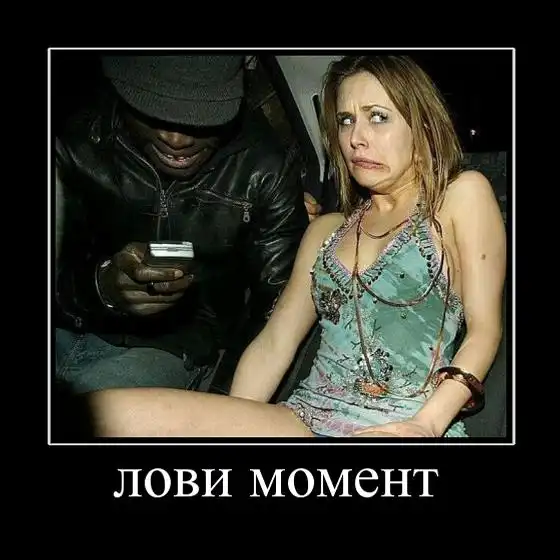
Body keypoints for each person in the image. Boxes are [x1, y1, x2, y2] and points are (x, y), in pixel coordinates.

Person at [84, 54, 506, 438]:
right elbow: (275, 343)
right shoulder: (326, 230)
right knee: (102, 412)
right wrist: (229, 421)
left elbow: (485, 328)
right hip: (302, 418)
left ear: (424, 125)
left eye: (378, 117)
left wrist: (426, 425)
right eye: (345, 120)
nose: (356, 138)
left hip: (403, 421)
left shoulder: (461, 196)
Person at [54, 54, 312, 398]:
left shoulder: (264, 169)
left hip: (174, 350)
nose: (176, 140)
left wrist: (223, 405)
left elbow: (278, 309)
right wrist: (102, 287)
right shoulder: (74, 139)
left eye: (202, 117)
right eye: (155, 113)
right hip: (67, 325)